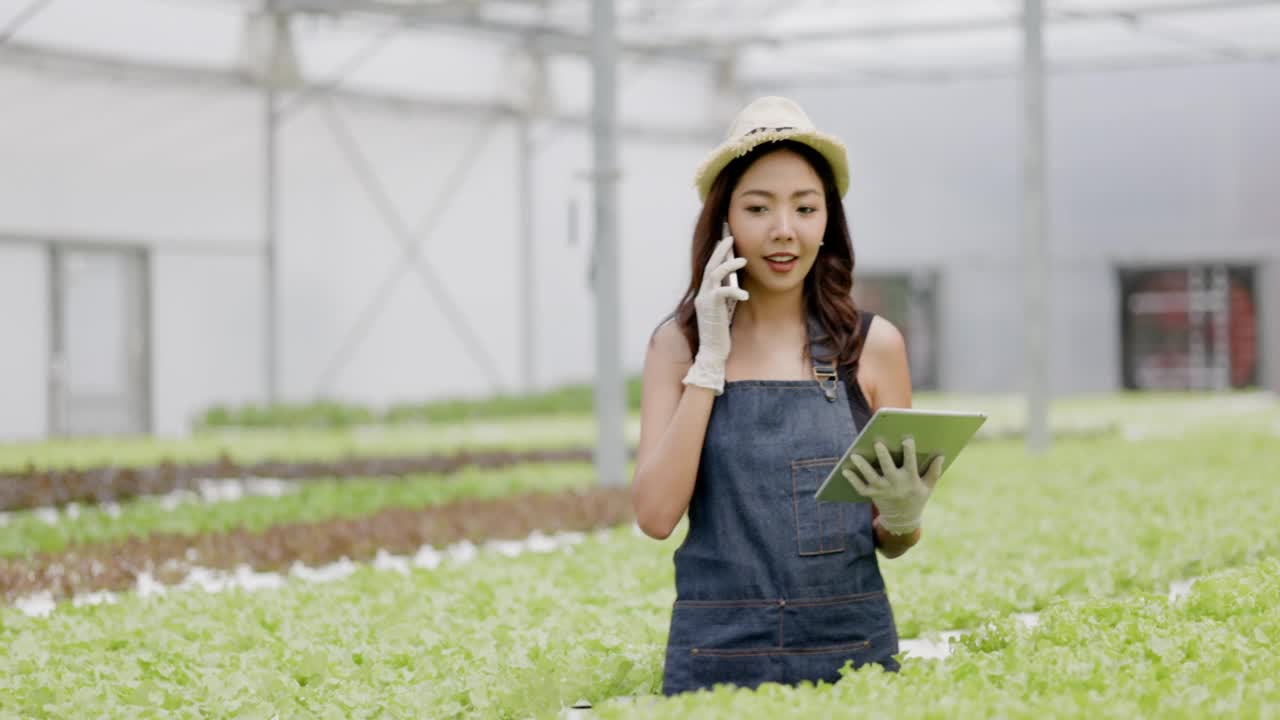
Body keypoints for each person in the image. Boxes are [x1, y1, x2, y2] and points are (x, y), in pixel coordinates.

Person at [630, 96, 944, 695]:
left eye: (805, 207)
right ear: (724, 221)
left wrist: (905, 517)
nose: (784, 230)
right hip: (716, 657)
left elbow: (894, 540)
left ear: (828, 222)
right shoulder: (675, 347)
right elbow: (655, 516)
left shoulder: (873, 347)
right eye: (758, 207)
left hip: (850, 651)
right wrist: (709, 363)